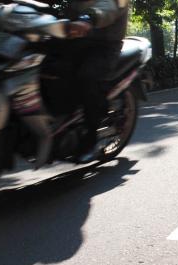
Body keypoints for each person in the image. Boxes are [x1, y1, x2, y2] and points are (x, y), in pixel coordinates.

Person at [42, 0, 129, 163]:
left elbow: (108, 7)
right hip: (73, 39)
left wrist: (89, 18)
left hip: (104, 45)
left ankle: (90, 140)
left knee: (87, 78)